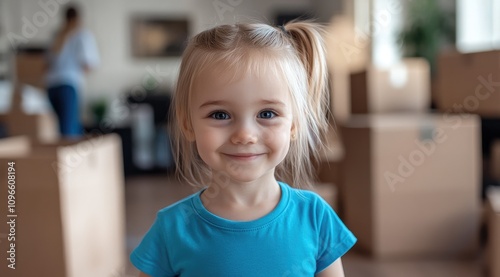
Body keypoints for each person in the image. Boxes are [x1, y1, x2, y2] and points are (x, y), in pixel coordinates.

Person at [130, 20, 356, 277]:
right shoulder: (172, 229)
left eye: (267, 113)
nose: (245, 135)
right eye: (220, 115)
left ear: (294, 123)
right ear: (187, 123)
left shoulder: (315, 217)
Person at [45, 5, 99, 138]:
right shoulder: (82, 35)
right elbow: (89, 64)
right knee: (70, 130)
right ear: (78, 18)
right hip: (68, 85)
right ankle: (70, 159)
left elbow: (47, 63)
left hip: (51, 86)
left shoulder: (56, 35)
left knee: (58, 129)